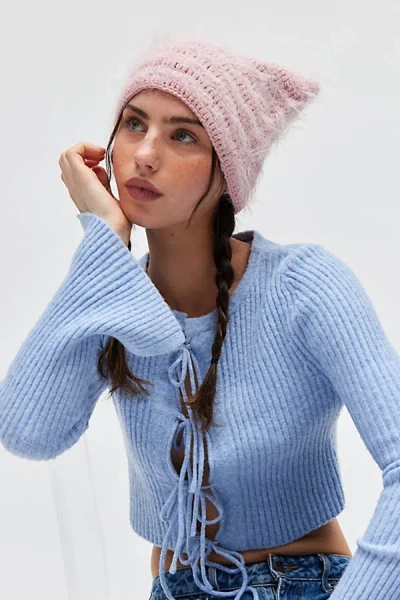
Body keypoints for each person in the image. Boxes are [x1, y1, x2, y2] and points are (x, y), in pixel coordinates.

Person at [1, 36, 399, 600]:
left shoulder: (303, 286)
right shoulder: (114, 293)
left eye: (182, 134)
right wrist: (103, 242)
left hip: (300, 585)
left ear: (228, 170)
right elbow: (27, 432)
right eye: (134, 124)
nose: (144, 154)